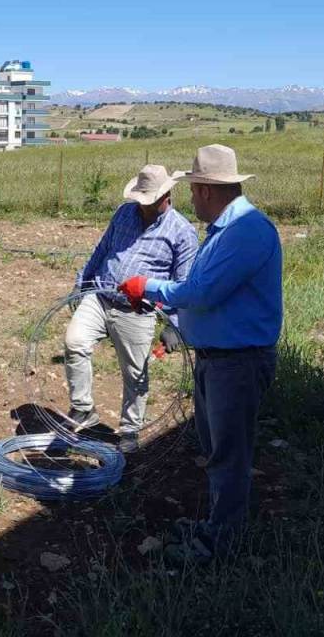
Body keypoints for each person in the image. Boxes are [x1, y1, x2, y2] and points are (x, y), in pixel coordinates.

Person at [119, 144, 282, 555]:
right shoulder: (227, 232)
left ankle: (221, 543)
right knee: (217, 449)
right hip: (220, 359)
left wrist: (147, 287)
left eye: (193, 190)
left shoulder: (246, 232)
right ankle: (217, 524)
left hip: (237, 362)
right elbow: (200, 292)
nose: (190, 199)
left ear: (207, 189)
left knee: (228, 455)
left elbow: (202, 291)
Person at [65, 164, 198, 452]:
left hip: (138, 310)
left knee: (135, 374)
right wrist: (83, 283)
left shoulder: (182, 232)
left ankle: (129, 430)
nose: (143, 206)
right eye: (141, 200)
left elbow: (183, 284)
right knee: (74, 342)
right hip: (100, 296)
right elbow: (102, 250)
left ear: (166, 196)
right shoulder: (124, 212)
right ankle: (83, 409)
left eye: (149, 201)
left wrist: (173, 324)